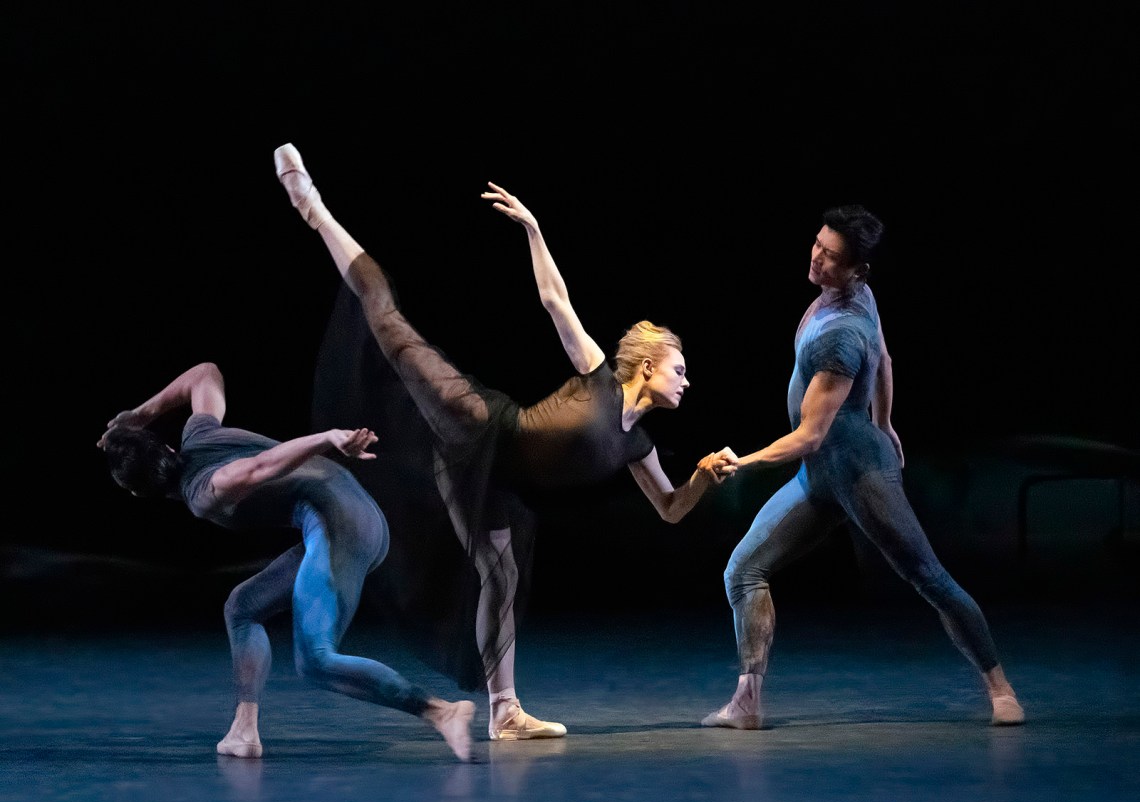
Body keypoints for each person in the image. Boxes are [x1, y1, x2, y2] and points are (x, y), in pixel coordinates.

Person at [273, 143, 732, 741]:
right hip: (481, 426)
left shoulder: (636, 448)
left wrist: (701, 476)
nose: (686, 380)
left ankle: (504, 713)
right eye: (679, 369)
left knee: (502, 577)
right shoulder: (597, 373)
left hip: (498, 486)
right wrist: (536, 231)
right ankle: (314, 208)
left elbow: (671, 509)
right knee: (391, 326)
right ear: (645, 366)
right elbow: (554, 301)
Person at [701, 205, 1026, 729]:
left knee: (927, 576)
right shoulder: (852, 299)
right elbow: (888, 358)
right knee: (743, 570)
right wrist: (887, 419)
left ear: (859, 271)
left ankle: (1001, 690)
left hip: (858, 473)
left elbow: (810, 434)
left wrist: (744, 462)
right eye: (817, 246)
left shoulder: (843, 333)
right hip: (817, 479)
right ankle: (747, 702)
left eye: (831, 258)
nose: (817, 259)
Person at [97, 361, 476, 761]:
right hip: (348, 516)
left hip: (343, 526)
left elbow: (258, 467)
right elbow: (205, 373)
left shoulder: (204, 492)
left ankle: (440, 711)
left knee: (316, 660)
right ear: (169, 447)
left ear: (139, 495)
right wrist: (144, 413)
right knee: (242, 608)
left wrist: (327, 437)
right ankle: (244, 731)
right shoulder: (198, 433)